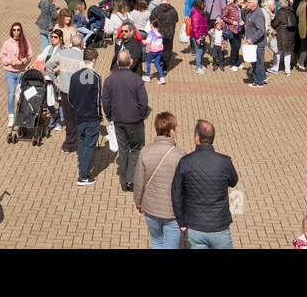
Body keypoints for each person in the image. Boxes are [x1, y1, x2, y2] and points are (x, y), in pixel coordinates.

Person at [171, 119, 238, 248]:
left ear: (197, 138)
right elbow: (233, 181)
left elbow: (176, 193)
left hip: (196, 228)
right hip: (220, 227)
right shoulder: (224, 161)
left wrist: (181, 220)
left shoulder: (185, 161)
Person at [133, 111, 184, 249]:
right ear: (171, 131)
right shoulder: (180, 155)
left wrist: (138, 203)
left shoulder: (145, 151)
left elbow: (138, 182)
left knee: (157, 241)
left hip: (150, 208)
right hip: (172, 211)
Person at [102, 51, 149, 192]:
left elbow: (105, 101)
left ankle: (124, 182)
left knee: (123, 151)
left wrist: (110, 116)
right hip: (134, 121)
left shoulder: (109, 80)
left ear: (117, 63)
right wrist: (141, 116)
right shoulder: (136, 80)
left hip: (118, 121)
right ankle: (131, 180)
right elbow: (143, 102)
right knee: (136, 149)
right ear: (130, 62)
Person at [69, 48, 103, 186]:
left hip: (78, 115)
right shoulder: (96, 78)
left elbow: (70, 97)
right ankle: (83, 175)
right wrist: (99, 115)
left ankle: (81, 164)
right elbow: (98, 99)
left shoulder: (74, 76)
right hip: (91, 117)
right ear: (94, 60)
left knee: (82, 141)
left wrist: (76, 109)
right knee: (89, 145)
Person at [1, 22, 32, 129]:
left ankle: (22, 115)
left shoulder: (25, 42)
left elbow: (29, 56)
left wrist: (22, 61)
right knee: (11, 94)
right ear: (11, 31)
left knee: (22, 95)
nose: (16, 32)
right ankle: (11, 116)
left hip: (21, 72)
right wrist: (10, 61)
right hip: (10, 72)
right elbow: (2, 56)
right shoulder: (7, 43)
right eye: (14, 30)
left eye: (18, 30)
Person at [243, 0, 268, 88]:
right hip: (251, 43)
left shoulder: (258, 14)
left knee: (256, 62)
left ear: (253, 4)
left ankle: (259, 81)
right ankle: (260, 78)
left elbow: (261, 30)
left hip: (257, 43)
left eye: (248, 2)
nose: (246, 3)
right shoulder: (250, 11)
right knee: (254, 62)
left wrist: (252, 39)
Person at [270, 0, 297, 76]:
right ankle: (288, 70)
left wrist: (272, 20)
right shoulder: (292, 12)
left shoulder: (280, 12)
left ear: (280, 5)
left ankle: (275, 68)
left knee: (278, 52)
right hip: (290, 35)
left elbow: (274, 24)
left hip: (281, 35)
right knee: (288, 54)